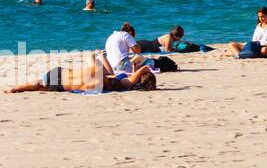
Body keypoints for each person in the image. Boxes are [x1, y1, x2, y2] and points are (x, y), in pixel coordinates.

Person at [6, 62, 157, 95]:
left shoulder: (120, 83)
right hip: (63, 84)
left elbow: (136, 76)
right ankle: (17, 88)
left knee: (40, 83)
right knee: (41, 84)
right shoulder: (120, 84)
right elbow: (132, 79)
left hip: (62, 75)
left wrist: (147, 68)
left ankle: (17, 88)